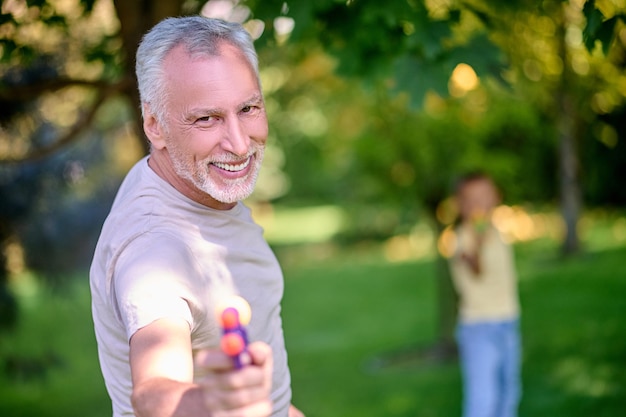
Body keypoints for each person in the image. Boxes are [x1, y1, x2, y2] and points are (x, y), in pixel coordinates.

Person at [90, 16, 304, 417]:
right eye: (207, 119)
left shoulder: (184, 185)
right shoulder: (155, 250)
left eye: (249, 108)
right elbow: (154, 392)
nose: (239, 144)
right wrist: (213, 402)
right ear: (154, 125)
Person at [447, 173, 521, 417]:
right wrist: (477, 243)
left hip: (508, 322)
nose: (479, 204)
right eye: (472, 199)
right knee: (483, 400)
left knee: (509, 394)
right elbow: (474, 268)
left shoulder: (497, 231)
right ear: (460, 205)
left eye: (485, 196)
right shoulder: (461, 238)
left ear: (496, 198)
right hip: (479, 328)